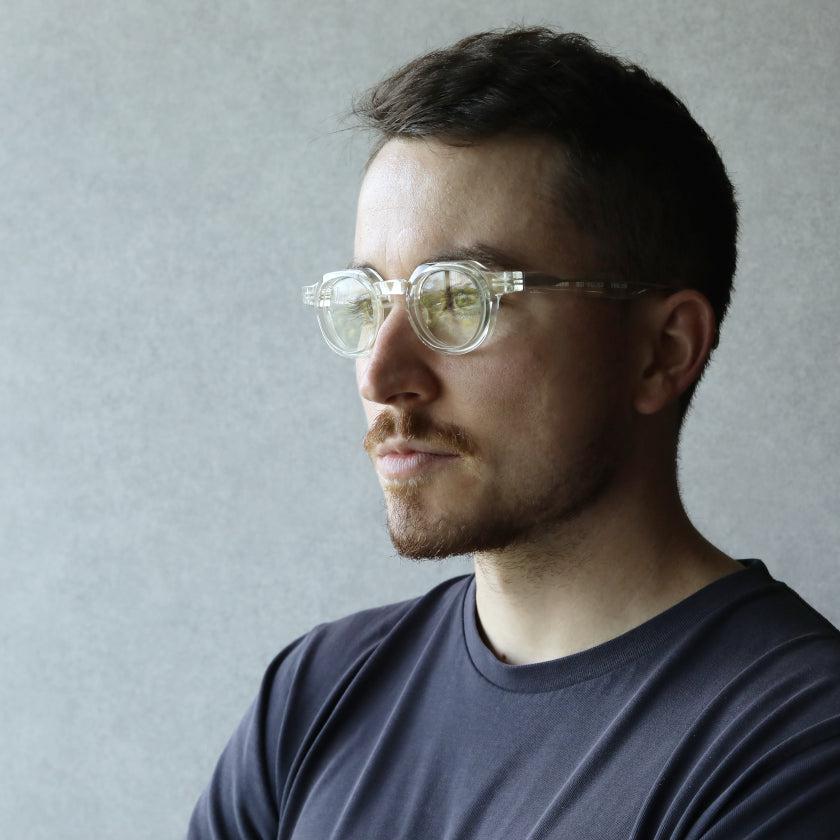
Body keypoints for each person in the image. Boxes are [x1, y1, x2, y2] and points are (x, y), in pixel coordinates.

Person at [187, 26, 840, 839]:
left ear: (662, 351)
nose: (380, 375)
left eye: (460, 299)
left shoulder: (795, 741)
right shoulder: (315, 695)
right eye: (368, 302)